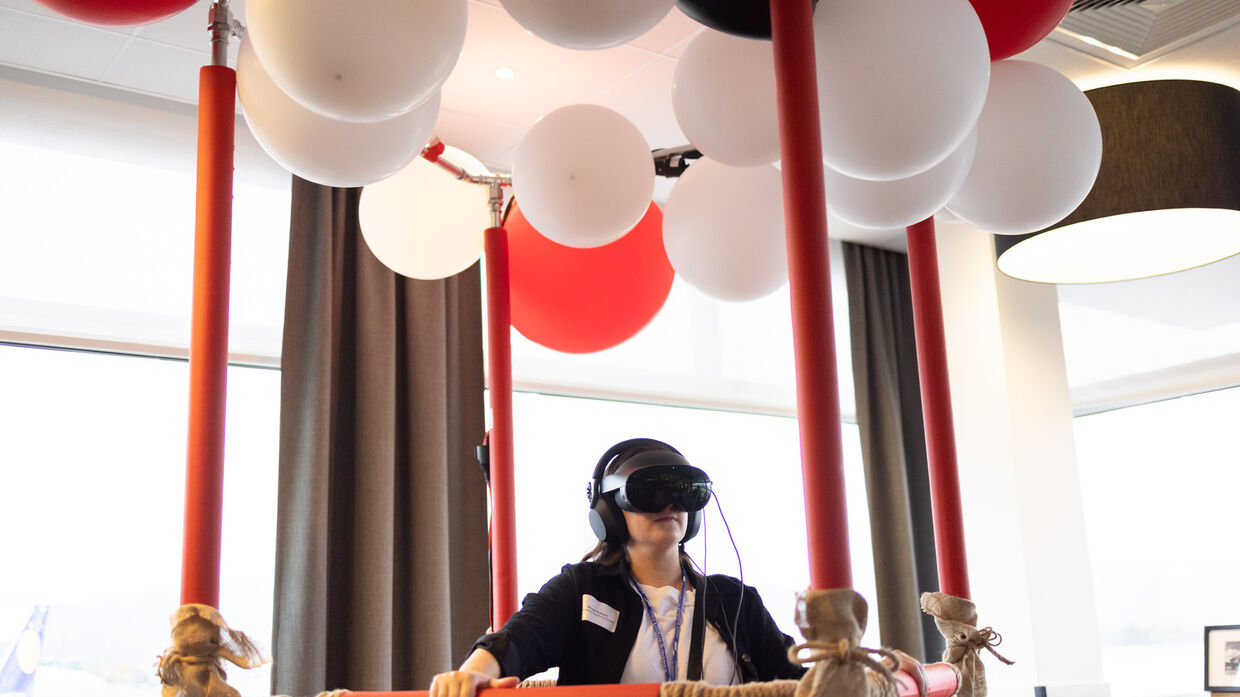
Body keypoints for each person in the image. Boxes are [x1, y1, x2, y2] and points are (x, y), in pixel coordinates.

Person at [430, 438, 806, 697]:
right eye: (649, 491)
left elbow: (803, 684)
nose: (669, 504)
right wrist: (471, 674)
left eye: (683, 490)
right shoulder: (582, 589)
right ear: (608, 510)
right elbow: (518, 641)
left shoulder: (734, 600)